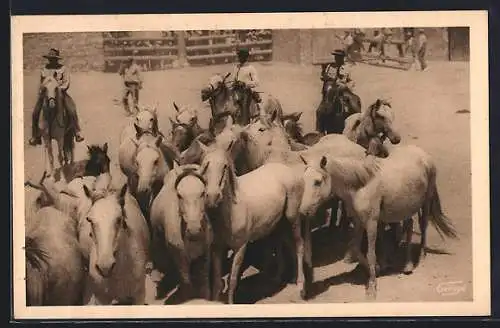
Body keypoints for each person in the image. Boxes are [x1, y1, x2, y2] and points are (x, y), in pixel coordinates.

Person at [29, 48, 84, 146]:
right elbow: (41, 83)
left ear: (57, 59)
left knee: (71, 109)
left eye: (53, 58)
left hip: (59, 93)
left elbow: (66, 82)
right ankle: (35, 136)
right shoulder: (44, 69)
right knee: (35, 112)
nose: (51, 60)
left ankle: (77, 132)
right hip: (46, 94)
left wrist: (59, 89)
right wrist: (42, 90)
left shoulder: (63, 69)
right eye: (50, 58)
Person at [231, 48, 261, 118]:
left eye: (240, 56)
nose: (239, 58)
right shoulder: (236, 67)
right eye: (239, 56)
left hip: (246, 91)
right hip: (236, 91)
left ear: (246, 57)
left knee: (244, 102)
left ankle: (245, 119)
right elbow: (233, 79)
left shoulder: (251, 68)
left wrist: (245, 83)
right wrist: (234, 83)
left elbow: (256, 82)